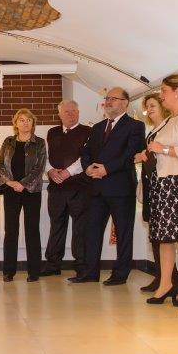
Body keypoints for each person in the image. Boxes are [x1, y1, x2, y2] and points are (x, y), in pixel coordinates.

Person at [69, 88, 145, 285]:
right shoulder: (98, 127)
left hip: (121, 188)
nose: (108, 102)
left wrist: (107, 169)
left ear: (125, 103)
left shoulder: (135, 126)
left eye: (113, 99)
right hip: (96, 188)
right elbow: (86, 152)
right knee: (92, 231)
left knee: (123, 232)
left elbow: (131, 153)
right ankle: (90, 272)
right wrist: (88, 168)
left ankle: (120, 274)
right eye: (107, 98)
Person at [144, 75, 178, 305]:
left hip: (176, 183)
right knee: (164, 238)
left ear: (177, 92)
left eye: (164, 91)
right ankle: (166, 282)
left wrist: (164, 149)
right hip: (161, 183)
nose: (161, 95)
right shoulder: (169, 120)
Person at [0, 109, 47, 282]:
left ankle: (34, 272)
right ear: (15, 123)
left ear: (33, 123)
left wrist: (22, 184)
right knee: (11, 231)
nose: (25, 123)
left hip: (31, 191)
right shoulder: (8, 142)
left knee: (32, 230)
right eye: (22, 120)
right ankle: (8, 271)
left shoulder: (40, 142)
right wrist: (10, 183)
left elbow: (39, 168)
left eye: (29, 120)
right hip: (11, 190)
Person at [135, 93, 178, 293]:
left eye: (153, 105)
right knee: (155, 235)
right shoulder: (153, 130)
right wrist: (144, 155)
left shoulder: (169, 126)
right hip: (152, 185)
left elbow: (167, 154)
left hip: (164, 187)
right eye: (147, 107)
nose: (149, 109)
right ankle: (162, 277)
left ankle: (170, 279)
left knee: (164, 236)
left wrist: (147, 155)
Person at [41, 100, 91, 278]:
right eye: (67, 111)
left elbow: (86, 157)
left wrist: (67, 172)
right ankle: (52, 265)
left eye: (74, 111)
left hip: (80, 188)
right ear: (59, 114)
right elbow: (45, 156)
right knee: (56, 226)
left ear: (78, 112)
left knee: (80, 228)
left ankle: (82, 267)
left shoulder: (88, 131)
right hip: (56, 189)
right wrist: (50, 170)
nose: (71, 114)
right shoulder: (52, 132)